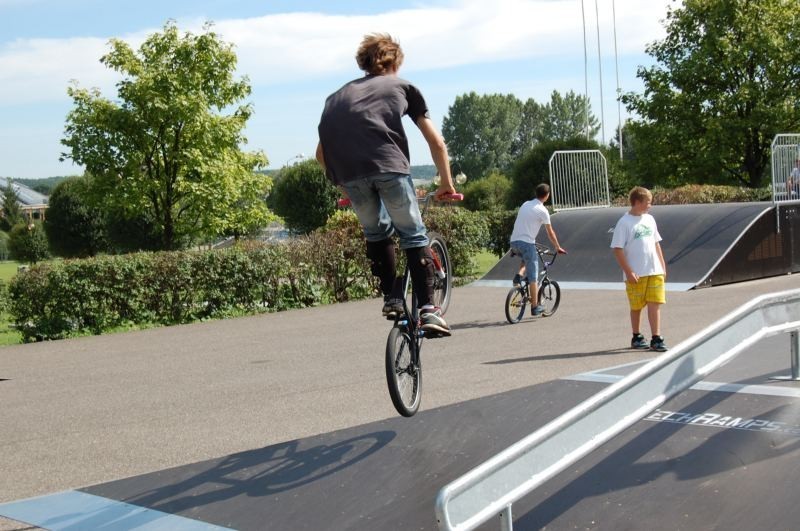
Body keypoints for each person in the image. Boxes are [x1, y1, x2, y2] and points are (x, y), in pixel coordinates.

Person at [316, 33, 457, 336]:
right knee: (412, 233)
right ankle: (429, 310)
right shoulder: (402, 86)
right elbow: (437, 142)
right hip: (390, 168)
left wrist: (344, 185)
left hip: (350, 174)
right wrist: (446, 182)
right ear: (394, 62)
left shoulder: (336, 96)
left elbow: (320, 154)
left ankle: (392, 297)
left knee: (376, 234)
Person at [610, 186, 668, 352]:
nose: (650, 205)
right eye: (647, 202)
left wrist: (662, 265)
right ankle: (636, 336)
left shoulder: (650, 219)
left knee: (655, 303)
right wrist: (628, 271)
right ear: (637, 202)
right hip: (636, 272)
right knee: (636, 306)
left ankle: (656, 337)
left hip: (654, 269)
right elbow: (617, 249)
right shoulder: (624, 222)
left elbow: (656, 243)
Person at [509, 183, 566, 316]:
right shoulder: (543, 211)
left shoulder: (525, 204)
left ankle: (518, 276)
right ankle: (535, 306)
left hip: (514, 242)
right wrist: (557, 247)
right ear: (547, 196)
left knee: (527, 255)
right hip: (526, 244)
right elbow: (550, 232)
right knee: (534, 277)